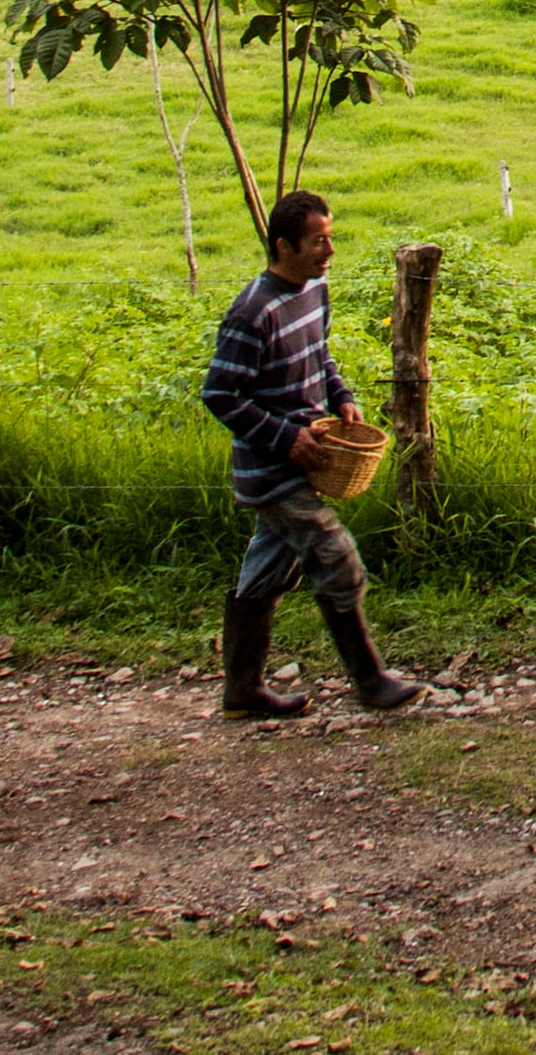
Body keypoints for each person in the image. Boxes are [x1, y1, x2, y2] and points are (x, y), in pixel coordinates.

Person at [200, 187, 425, 721]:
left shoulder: (313, 289)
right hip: (273, 471)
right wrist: (284, 437)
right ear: (284, 246)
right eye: (317, 242)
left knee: (266, 572)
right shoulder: (251, 313)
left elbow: (319, 355)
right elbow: (220, 393)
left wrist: (341, 397)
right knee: (335, 555)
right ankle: (370, 680)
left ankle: (241, 691)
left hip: (310, 456)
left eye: (330, 238)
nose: (329, 251)